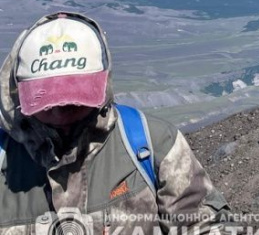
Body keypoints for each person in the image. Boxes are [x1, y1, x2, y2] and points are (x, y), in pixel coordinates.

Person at [0, 12, 230, 235]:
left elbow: (202, 225)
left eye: (73, 101)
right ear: (18, 92)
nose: (60, 114)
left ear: (102, 86)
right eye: (45, 101)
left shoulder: (152, 144)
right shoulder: (4, 158)